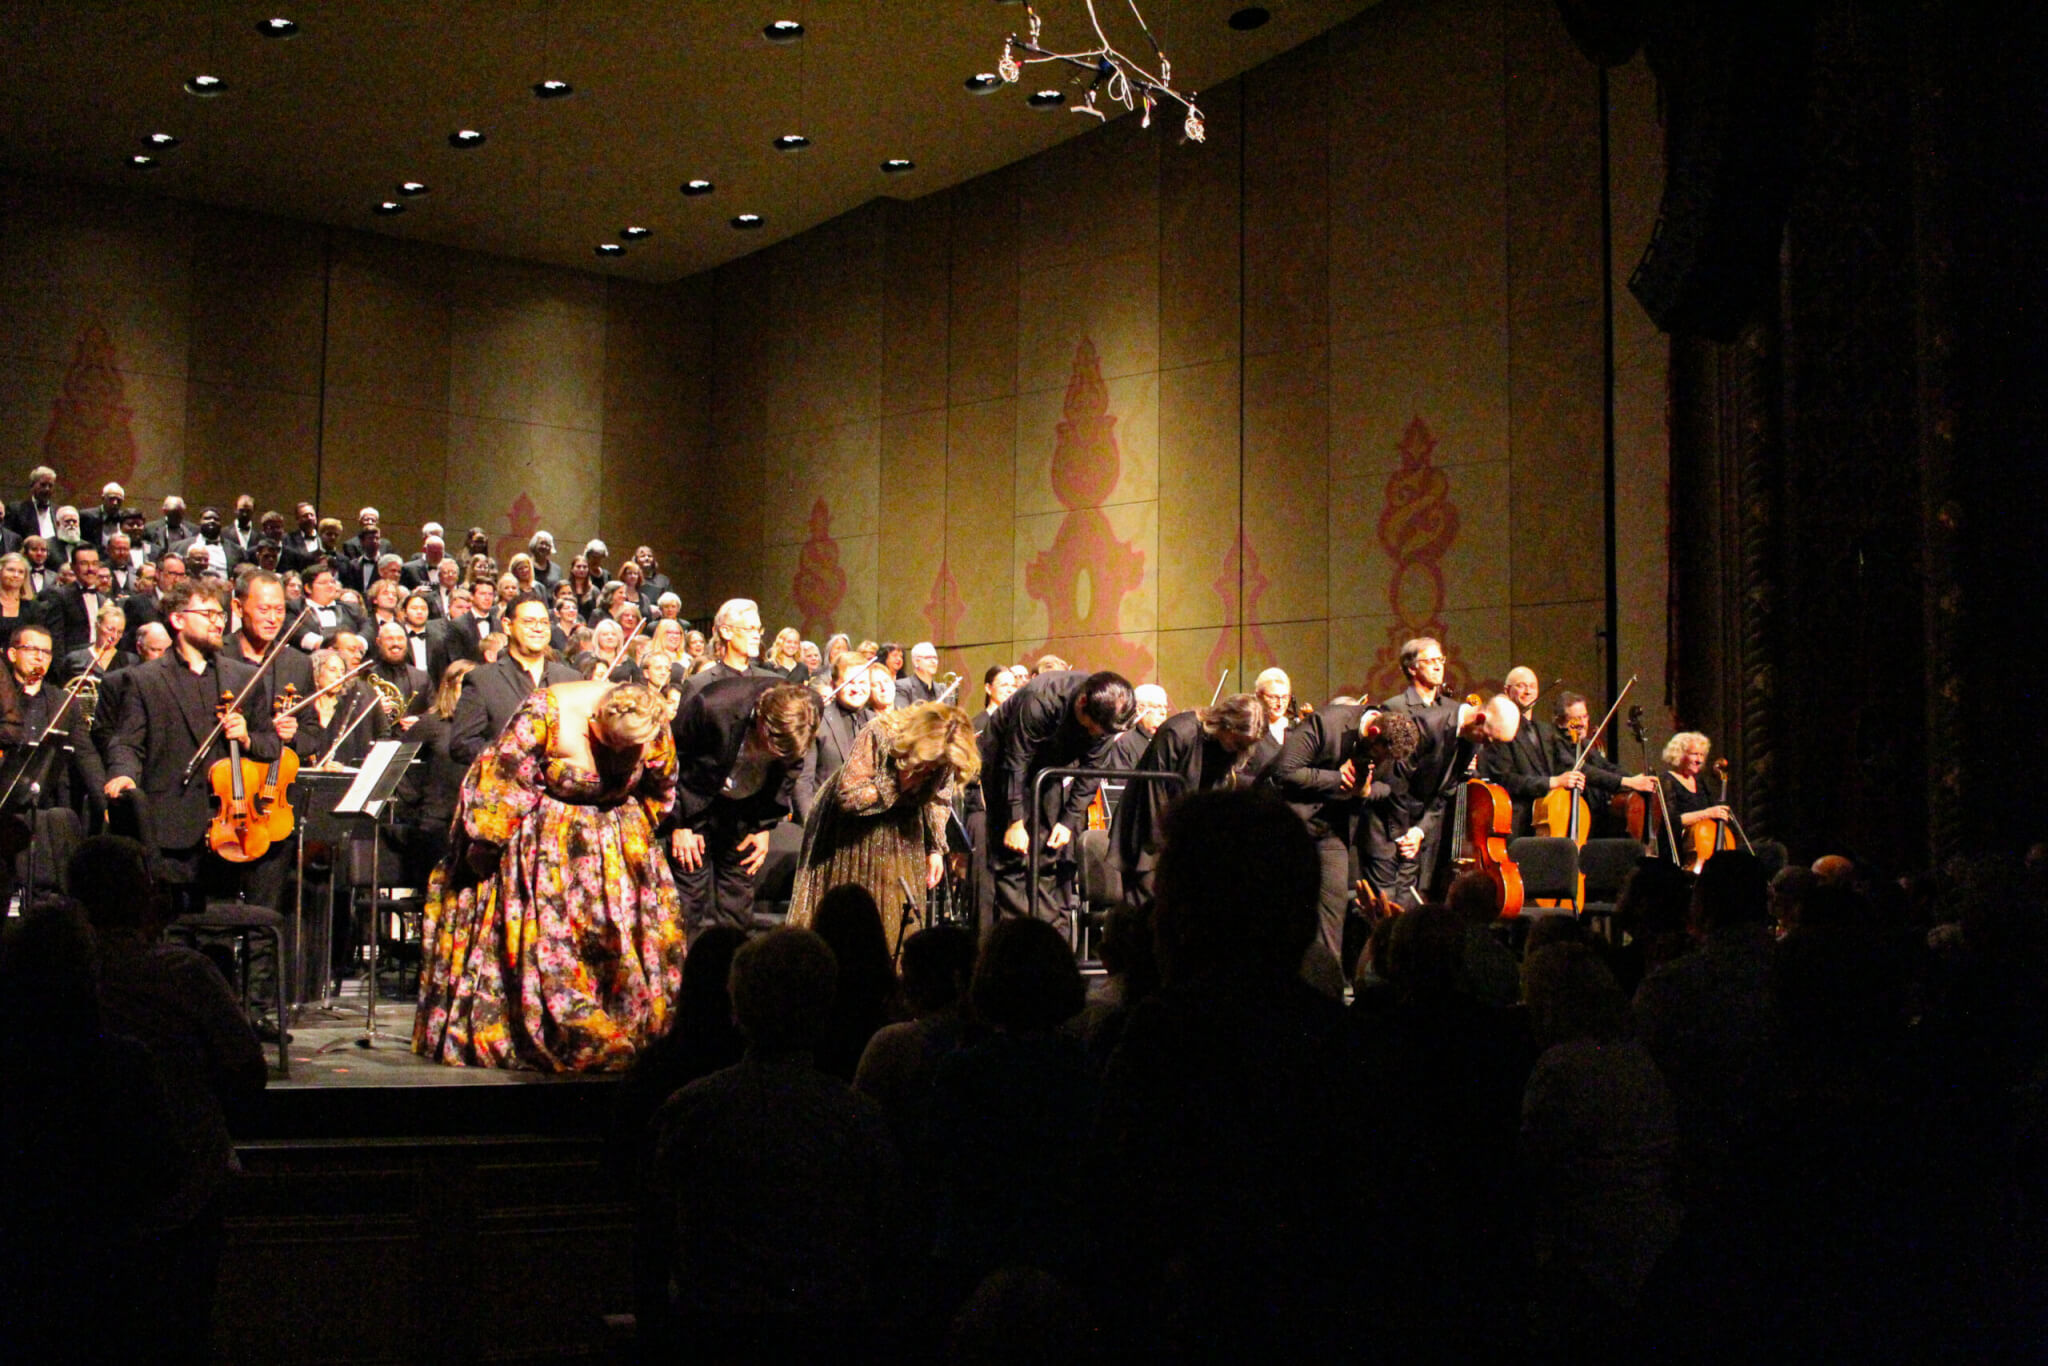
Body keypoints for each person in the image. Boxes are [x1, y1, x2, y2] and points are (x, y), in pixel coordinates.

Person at [646, 927, 903, 1361]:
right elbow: (887, 1245)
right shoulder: (857, 1119)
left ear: (737, 1010)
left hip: (714, 1336)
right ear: (824, 1011)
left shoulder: (691, 1111)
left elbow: (655, 1240)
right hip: (828, 1337)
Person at [416, 680, 683, 1071]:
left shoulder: (650, 719)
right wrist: (487, 843)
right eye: (609, 742)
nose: (615, 755)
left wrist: (636, 835)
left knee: (618, 938)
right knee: (553, 944)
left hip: (616, 842)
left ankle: (625, 1021)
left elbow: (662, 786)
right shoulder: (547, 711)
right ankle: (564, 1027)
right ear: (595, 719)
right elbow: (502, 781)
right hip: (549, 848)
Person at [789, 702, 979, 953]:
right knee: (854, 914)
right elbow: (848, 797)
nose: (933, 769)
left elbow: (938, 800)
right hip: (854, 832)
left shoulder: (945, 752)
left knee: (896, 907)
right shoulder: (880, 733)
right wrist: (895, 784)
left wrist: (935, 848)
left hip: (903, 830)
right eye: (931, 762)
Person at [979, 668, 1134, 932]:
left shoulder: (1105, 721)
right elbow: (1015, 761)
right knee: (1012, 855)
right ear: (1082, 703)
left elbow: (1091, 771)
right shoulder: (1042, 700)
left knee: (1048, 851)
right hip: (1004, 761)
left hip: (1049, 768)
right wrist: (1014, 822)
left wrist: (1068, 820)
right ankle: (1016, 934)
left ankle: (1046, 935)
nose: (1095, 735)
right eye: (1092, 728)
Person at [665, 677, 818, 940]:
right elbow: (671, 758)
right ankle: (689, 962)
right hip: (696, 802)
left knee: (737, 900)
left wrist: (763, 826)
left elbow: (790, 770)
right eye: (771, 748)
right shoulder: (712, 706)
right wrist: (679, 823)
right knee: (689, 901)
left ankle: (734, 960)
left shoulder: (810, 709)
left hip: (746, 810)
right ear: (762, 723)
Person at [1268, 700, 1422, 958]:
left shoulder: (1390, 744)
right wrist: (1338, 780)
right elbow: (1284, 772)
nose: (1382, 762)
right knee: (1286, 905)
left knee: (1333, 905)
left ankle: (1328, 975)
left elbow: (1389, 788)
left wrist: (1365, 791)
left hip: (1333, 828)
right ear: (1373, 732)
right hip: (1290, 822)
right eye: (1381, 756)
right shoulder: (1327, 723)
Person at [1110, 692, 1262, 910]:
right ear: (1226, 724)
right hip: (1148, 836)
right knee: (1146, 911)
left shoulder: (1226, 747)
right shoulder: (1179, 732)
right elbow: (1153, 794)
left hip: (1182, 840)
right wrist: (1170, 848)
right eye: (1238, 742)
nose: (1240, 750)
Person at [447, 594, 581, 765]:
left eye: (544, 622)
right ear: (507, 626)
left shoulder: (571, 678)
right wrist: (513, 755)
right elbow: (462, 744)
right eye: (529, 622)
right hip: (507, 778)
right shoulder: (482, 680)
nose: (538, 628)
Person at [794, 650, 873, 822]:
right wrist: (811, 826)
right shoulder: (816, 721)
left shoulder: (876, 722)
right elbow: (803, 782)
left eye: (862, 682)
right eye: (849, 682)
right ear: (833, 684)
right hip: (826, 821)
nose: (857, 689)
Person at [676, 597, 779, 699]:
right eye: (749, 629)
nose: (757, 636)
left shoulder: (773, 682)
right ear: (726, 632)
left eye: (758, 630)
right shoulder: (698, 685)